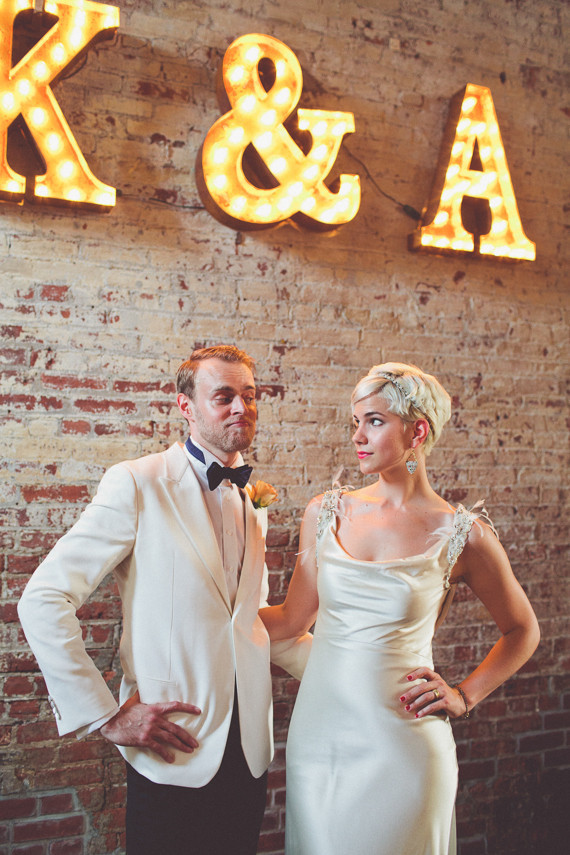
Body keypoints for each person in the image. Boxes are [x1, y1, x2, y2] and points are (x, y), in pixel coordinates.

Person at [18, 344, 310, 855]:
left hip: (249, 751)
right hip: (172, 747)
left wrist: (363, 675)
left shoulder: (253, 499)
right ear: (186, 407)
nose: (241, 407)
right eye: (223, 396)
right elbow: (43, 597)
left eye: (249, 396)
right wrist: (106, 716)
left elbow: (251, 623)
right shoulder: (137, 482)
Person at [260, 361, 540, 855]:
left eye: (374, 421)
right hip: (321, 740)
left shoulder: (463, 533)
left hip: (406, 743)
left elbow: (523, 630)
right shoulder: (325, 512)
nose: (358, 436)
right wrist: (211, 614)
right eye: (355, 422)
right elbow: (291, 620)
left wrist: (464, 695)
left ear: (418, 431)